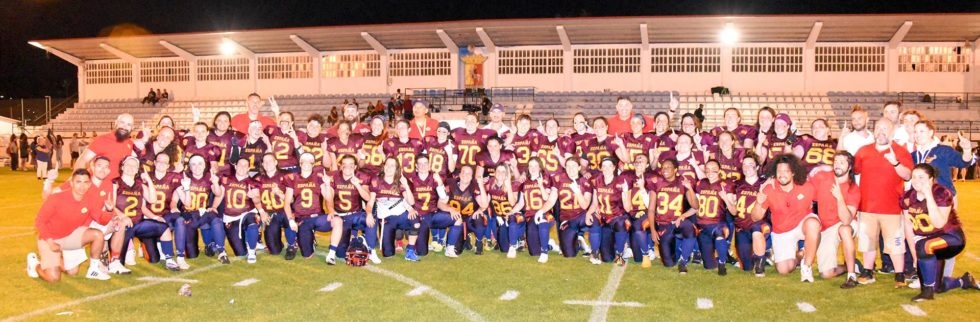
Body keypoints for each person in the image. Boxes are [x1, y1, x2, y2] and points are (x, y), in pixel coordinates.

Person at [903, 164, 979, 301]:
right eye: (914, 177)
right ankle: (964, 281)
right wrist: (915, 256)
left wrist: (928, 195)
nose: (916, 180)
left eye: (921, 177)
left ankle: (927, 293)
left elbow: (939, 223)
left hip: (952, 238)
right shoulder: (908, 197)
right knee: (937, 286)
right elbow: (908, 226)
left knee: (923, 246)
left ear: (931, 179)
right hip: (929, 243)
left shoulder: (941, 193)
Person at [853, 117, 913, 286]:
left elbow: (907, 175)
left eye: (885, 128)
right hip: (866, 206)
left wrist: (895, 163)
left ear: (892, 131)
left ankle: (900, 274)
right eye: (878, 127)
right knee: (867, 242)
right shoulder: (863, 151)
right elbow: (854, 170)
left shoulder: (900, 151)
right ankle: (868, 271)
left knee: (895, 243)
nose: (881, 131)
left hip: (891, 206)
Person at [27, 169, 114, 282]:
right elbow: (39, 221)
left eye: (85, 182)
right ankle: (34, 264)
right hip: (50, 238)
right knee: (53, 278)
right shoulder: (57, 198)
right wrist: (50, 242)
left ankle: (94, 270)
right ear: (71, 183)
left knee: (97, 235)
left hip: (70, 237)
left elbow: (102, 220)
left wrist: (109, 210)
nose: (82, 186)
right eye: (78, 182)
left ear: (89, 184)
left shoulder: (90, 200)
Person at [751, 154, 820, 282]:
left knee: (813, 224)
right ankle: (800, 255)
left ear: (793, 172)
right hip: (782, 230)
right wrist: (758, 202)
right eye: (779, 171)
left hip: (802, 225)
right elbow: (755, 217)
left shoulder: (807, 187)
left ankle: (807, 267)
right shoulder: (769, 188)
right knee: (783, 269)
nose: (782, 174)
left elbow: (824, 198)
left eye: (786, 171)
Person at [810, 151, 861, 287]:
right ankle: (847, 267)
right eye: (836, 161)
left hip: (846, 222)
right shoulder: (823, 178)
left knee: (844, 229)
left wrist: (839, 197)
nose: (837, 165)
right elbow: (806, 190)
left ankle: (852, 276)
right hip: (827, 227)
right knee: (826, 274)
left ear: (849, 166)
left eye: (842, 162)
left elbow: (846, 220)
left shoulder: (853, 188)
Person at [722, 152, 771, 277]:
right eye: (744, 164)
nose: (747, 167)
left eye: (751, 164)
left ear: (757, 167)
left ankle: (761, 261)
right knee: (747, 267)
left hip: (760, 225)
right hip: (741, 228)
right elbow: (733, 212)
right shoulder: (736, 184)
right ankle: (759, 254)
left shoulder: (765, 183)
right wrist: (726, 199)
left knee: (757, 229)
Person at [324, 155, 378, 265]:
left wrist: (358, 185)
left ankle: (372, 250)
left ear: (355, 166)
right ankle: (358, 240)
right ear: (341, 166)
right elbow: (329, 199)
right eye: (345, 164)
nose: (347, 167)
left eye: (351, 165)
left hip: (356, 215)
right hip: (341, 217)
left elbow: (367, 198)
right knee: (341, 254)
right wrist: (330, 210)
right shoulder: (334, 177)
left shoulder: (361, 177)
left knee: (371, 220)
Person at [647, 158, 698, 273]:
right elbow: (651, 209)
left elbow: (695, 206)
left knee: (689, 227)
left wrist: (689, 188)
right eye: (663, 167)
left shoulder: (682, 182)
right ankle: (679, 248)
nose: (665, 169)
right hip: (663, 225)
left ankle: (683, 261)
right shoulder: (656, 182)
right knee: (668, 264)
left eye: (668, 167)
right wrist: (653, 229)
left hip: (677, 222)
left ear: (675, 170)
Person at [408, 153, 464, 257]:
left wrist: (439, 181)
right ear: (416, 166)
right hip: (420, 218)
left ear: (429, 165)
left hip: (433, 215)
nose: (423, 166)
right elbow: (406, 199)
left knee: (457, 218)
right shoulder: (411, 179)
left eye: (425, 163)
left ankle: (450, 248)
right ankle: (415, 242)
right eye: (420, 164)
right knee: (422, 253)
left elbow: (443, 196)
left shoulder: (434, 177)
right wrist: (410, 209)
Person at [176, 154, 227, 263]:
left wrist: (215, 183)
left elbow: (218, 193)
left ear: (204, 166)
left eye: (200, 164)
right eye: (193, 164)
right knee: (192, 255)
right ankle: (199, 246)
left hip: (203, 214)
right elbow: (180, 201)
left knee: (215, 217)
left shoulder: (210, 177)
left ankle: (221, 251)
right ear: (189, 166)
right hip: (189, 217)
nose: (197, 167)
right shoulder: (184, 177)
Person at [146, 151, 190, 270]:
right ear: (154, 163)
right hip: (148, 218)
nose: (161, 164)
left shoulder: (174, 177)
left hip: (165, 215)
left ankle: (180, 256)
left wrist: (186, 188)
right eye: (159, 161)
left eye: (165, 162)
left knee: (180, 219)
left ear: (168, 165)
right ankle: (159, 246)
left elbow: (186, 203)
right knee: (154, 259)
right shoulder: (146, 177)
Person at [284, 153, 332, 260]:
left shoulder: (319, 178)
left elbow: (328, 198)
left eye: (309, 161)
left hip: (317, 216)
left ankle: (337, 249)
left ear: (313, 164)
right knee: (307, 255)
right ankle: (309, 239)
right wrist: (291, 220)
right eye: (304, 160)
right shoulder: (292, 178)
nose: (306, 163)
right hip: (302, 218)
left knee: (338, 221)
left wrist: (327, 184)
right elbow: (287, 203)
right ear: (300, 163)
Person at [371, 157, 418, 261]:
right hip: (386, 219)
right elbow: (370, 200)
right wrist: (369, 213)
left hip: (400, 215)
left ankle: (410, 251)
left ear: (397, 168)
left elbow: (411, 202)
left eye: (392, 165)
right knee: (388, 254)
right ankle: (394, 238)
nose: (389, 167)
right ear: (383, 166)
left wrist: (406, 186)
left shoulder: (400, 182)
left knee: (416, 221)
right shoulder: (376, 180)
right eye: (387, 164)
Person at [588, 157, 633, 265]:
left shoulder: (621, 181)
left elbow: (628, 208)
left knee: (621, 223)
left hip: (618, 218)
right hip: (604, 220)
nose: (606, 168)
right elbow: (594, 203)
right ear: (601, 168)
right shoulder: (596, 180)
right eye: (604, 166)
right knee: (607, 258)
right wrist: (589, 213)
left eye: (609, 166)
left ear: (614, 168)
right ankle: (596, 251)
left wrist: (625, 191)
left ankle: (620, 253)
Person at [694, 159, 735, 275]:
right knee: (709, 266)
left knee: (720, 233)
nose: (710, 173)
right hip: (702, 225)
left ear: (720, 171)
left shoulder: (726, 185)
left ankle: (722, 262)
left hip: (718, 223)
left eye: (714, 170)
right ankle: (718, 258)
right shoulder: (701, 183)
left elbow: (734, 211)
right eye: (707, 170)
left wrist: (725, 198)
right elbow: (696, 206)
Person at [254, 153, 297, 258]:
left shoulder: (285, 177)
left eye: (270, 160)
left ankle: (292, 245)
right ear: (263, 164)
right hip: (270, 214)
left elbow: (291, 200)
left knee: (289, 220)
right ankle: (278, 242)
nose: (268, 163)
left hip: (285, 210)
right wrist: (262, 212)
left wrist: (280, 194)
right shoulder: (258, 179)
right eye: (265, 161)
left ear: (276, 162)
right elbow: (255, 199)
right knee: (274, 251)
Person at [220, 158, 263, 263]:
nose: (242, 167)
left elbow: (257, 201)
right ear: (235, 166)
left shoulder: (253, 183)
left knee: (252, 223)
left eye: (245, 165)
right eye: (240, 164)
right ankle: (247, 239)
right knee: (240, 253)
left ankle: (252, 250)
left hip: (247, 212)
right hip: (231, 217)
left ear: (249, 168)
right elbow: (218, 195)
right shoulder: (226, 179)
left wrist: (254, 197)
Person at [518, 157, 558, 263]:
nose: (533, 168)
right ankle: (549, 245)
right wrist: (512, 212)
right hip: (530, 216)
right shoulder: (525, 182)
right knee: (534, 252)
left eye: (536, 165)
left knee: (543, 222)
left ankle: (544, 252)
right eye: (531, 166)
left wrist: (540, 186)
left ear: (540, 167)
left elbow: (546, 198)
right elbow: (521, 203)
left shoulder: (546, 179)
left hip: (545, 213)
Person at [74, 114, 136, 180]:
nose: (124, 127)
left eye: (129, 124)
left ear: (132, 128)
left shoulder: (131, 144)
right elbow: (83, 160)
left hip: (118, 187)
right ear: (116, 123)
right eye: (122, 122)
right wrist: (77, 180)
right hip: (98, 187)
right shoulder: (102, 140)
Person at [555, 158, 595, 258]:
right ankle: (577, 240)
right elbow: (551, 200)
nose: (570, 168)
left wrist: (577, 192)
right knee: (569, 254)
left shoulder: (585, 182)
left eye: (573, 166)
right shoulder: (559, 180)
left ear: (578, 168)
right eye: (568, 166)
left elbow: (585, 205)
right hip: (567, 219)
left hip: (582, 216)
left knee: (596, 220)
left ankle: (596, 248)